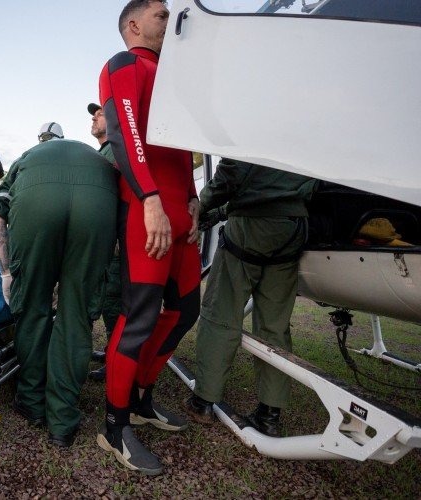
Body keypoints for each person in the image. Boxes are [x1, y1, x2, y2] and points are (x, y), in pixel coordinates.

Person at [96, 0, 201, 475]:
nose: (170, 20)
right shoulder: (125, 64)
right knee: (139, 316)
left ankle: (141, 399)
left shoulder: (171, 77)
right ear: (135, 24)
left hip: (181, 210)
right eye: (162, 14)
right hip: (147, 207)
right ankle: (114, 426)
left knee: (184, 311)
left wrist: (194, 198)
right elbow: (126, 134)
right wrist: (152, 199)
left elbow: (179, 145)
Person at [0, 137, 117, 448]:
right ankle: (63, 420)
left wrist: (7, 273)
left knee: (32, 308)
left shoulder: (26, 157)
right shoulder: (99, 160)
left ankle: (31, 402)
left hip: (36, 202)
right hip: (97, 204)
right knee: (76, 317)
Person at [184, 159, 317, 436]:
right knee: (275, 323)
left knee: (220, 311)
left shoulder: (257, 122)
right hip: (294, 226)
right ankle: (270, 413)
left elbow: (230, 176)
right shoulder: (310, 125)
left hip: (251, 226)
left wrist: (202, 203)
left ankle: (204, 399)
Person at [86, 102, 121, 382]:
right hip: (109, 242)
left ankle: (117, 362)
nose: (95, 117)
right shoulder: (105, 152)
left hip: (116, 245)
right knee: (110, 299)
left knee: (114, 302)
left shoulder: (115, 151)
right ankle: (112, 351)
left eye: (100, 114)